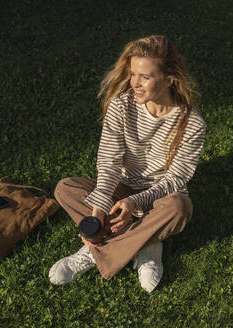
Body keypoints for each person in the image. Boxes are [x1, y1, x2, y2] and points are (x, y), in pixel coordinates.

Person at [49, 35, 206, 293]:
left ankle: (96, 250)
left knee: (179, 208)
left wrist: (136, 202)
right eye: (133, 74)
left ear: (169, 79)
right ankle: (147, 243)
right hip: (121, 188)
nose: (135, 83)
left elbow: (175, 180)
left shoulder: (192, 124)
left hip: (160, 197)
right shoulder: (121, 106)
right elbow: (109, 163)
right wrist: (100, 208)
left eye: (145, 76)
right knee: (65, 189)